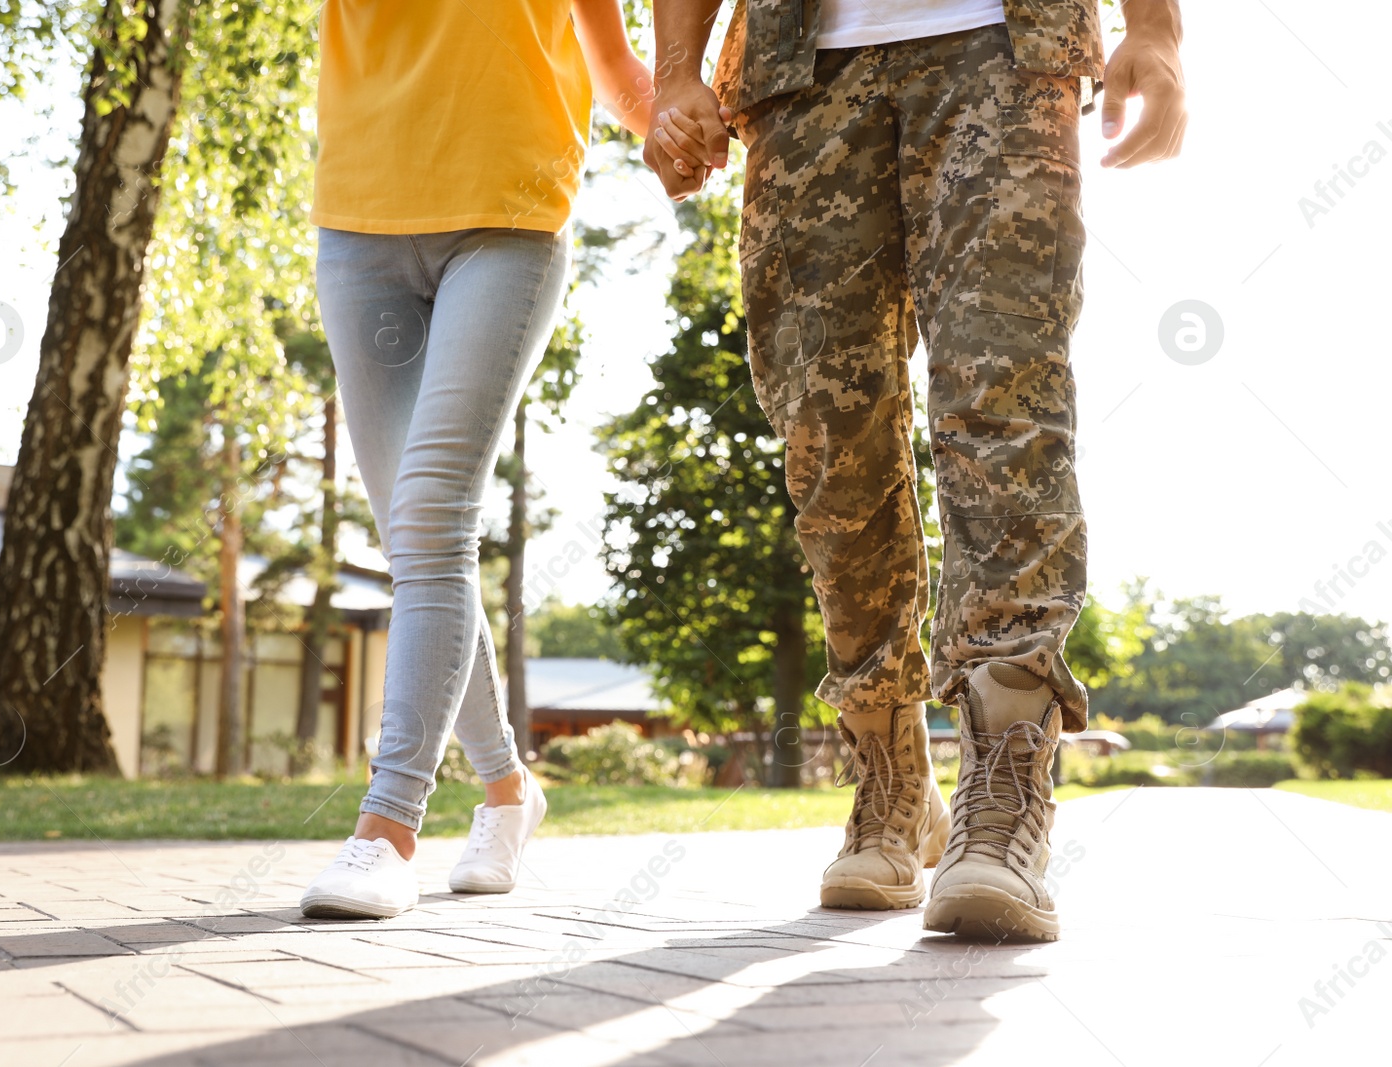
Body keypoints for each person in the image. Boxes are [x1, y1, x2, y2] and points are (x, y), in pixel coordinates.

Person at [645, 0, 1185, 940]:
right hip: (799, 69)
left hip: (1001, 49)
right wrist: (676, 72)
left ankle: (1005, 798)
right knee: (826, 439)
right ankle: (891, 784)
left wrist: (1158, 28)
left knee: (1001, 402)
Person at [300, 1, 657, 919]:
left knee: (430, 516)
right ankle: (508, 791)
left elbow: (610, 57)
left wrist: (681, 120)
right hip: (358, 222)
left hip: (508, 215)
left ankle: (387, 830)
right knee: (416, 547)